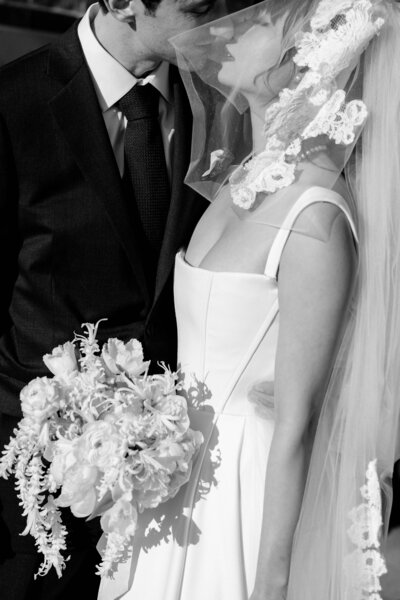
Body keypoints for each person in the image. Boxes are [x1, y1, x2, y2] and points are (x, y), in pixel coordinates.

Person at [98, 0, 400, 599]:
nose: (234, 23)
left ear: (307, 60)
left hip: (247, 491)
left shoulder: (315, 218)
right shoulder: (234, 186)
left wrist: (271, 582)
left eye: (266, 20)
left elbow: (295, 423)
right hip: (175, 478)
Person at [0, 0, 239, 597]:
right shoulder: (12, 104)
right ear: (125, 3)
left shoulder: (221, 102)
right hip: (35, 487)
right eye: (200, 7)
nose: (218, 21)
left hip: (182, 483)